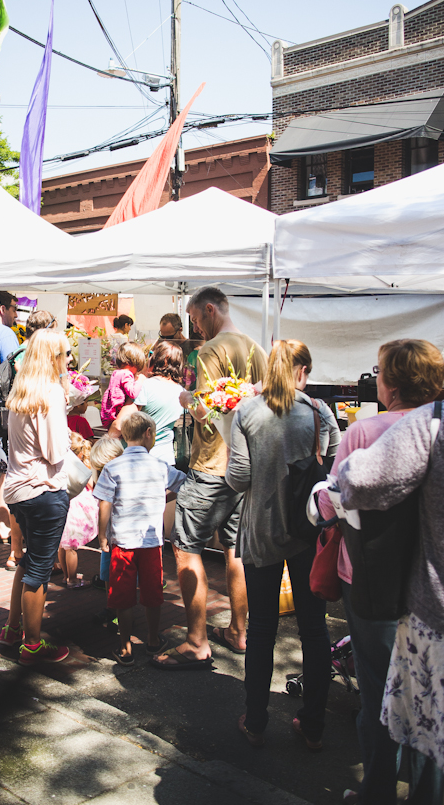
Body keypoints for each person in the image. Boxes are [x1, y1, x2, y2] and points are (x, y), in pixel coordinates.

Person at [318, 339, 444, 804]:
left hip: (377, 580)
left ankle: (377, 792)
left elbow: (338, 492)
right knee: (430, 705)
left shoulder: (391, 429)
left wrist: (319, 500)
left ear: (389, 384)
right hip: (419, 585)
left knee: (381, 690)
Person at [225, 339, 340, 749]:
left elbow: (237, 478)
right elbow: (334, 469)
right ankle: (312, 726)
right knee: (314, 629)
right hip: (309, 530)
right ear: (302, 370)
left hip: (261, 530)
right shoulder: (319, 411)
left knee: (261, 630)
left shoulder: (246, 412)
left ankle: (255, 721)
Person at [154, 287, 267, 669]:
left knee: (186, 549)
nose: (197, 328)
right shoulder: (255, 348)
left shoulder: (208, 352)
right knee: (235, 551)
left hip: (212, 464)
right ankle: (239, 631)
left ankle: (197, 641)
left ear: (208, 309)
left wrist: (186, 399)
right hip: (245, 466)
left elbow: (205, 410)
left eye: (197, 320)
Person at [0, 330, 73, 666]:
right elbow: (56, 451)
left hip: (17, 490)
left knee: (28, 563)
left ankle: (12, 630)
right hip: (43, 490)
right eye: (65, 354)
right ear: (53, 356)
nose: (69, 360)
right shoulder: (51, 393)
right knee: (39, 570)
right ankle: (32, 644)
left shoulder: (21, 391)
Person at [94, 412, 186, 665]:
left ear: (124, 436)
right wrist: (161, 497)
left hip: (122, 542)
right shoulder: (159, 466)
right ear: (148, 433)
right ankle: (153, 640)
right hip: (151, 542)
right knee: (152, 591)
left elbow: (105, 503)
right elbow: (184, 485)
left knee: (122, 595)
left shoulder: (113, 466)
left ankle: (125, 648)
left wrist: (103, 536)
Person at [0, 308, 59, 569]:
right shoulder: (38, 359)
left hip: (15, 429)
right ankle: (47, 558)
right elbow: (54, 451)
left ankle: (15, 551)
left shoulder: (19, 353)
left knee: (15, 482)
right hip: (36, 440)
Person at [109, 341, 185, 465]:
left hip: (136, 461)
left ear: (159, 360)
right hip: (165, 461)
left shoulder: (144, 386)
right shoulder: (182, 393)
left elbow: (119, 425)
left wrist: (106, 443)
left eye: (151, 354)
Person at [89, 435, 125, 627]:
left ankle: (119, 612)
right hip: (113, 536)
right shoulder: (108, 474)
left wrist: (101, 534)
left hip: (115, 536)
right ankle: (112, 608)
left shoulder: (111, 475)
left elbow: (104, 506)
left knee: (116, 576)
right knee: (108, 574)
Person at [58, 433, 99, 588]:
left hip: (64, 503)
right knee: (72, 547)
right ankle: (73, 579)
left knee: (63, 545)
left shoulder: (61, 464)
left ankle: (65, 575)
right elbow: (90, 485)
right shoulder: (80, 467)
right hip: (76, 509)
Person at [100, 341, 146, 429]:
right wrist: (140, 380)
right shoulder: (126, 374)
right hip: (118, 413)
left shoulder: (116, 373)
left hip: (110, 414)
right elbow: (133, 393)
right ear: (135, 362)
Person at [0, 291, 19, 366]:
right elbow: (12, 369)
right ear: (3, 309)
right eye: (14, 310)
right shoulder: (6, 334)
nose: (16, 315)